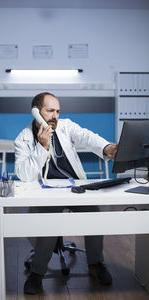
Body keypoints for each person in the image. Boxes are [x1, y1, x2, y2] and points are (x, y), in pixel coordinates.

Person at [14, 92, 118, 294]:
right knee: (48, 221)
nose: (55, 115)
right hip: (45, 191)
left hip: (74, 187)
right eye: (50, 110)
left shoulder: (66, 126)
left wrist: (107, 147)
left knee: (94, 214)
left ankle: (96, 263)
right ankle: (37, 273)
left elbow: (87, 136)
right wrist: (42, 147)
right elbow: (24, 175)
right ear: (35, 111)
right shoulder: (23, 139)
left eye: (57, 111)